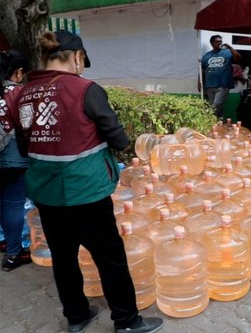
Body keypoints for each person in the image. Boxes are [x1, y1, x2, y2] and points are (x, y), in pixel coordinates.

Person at [0, 31, 163, 333]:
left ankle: (76, 317)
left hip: (45, 193)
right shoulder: (85, 89)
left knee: (63, 258)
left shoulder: (22, 94)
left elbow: (24, 146)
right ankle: (127, 322)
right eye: (82, 61)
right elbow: (119, 138)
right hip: (86, 191)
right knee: (110, 258)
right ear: (76, 57)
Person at [1, 49, 31, 272]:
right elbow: (27, 125)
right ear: (19, 72)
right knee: (13, 203)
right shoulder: (19, 93)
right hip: (12, 158)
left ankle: (5, 241)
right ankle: (13, 253)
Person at [200, 35, 241, 120]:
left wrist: (230, 47)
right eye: (217, 41)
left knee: (216, 105)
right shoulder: (207, 55)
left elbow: (238, 58)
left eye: (220, 41)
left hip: (223, 85)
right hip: (210, 85)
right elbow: (202, 70)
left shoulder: (227, 52)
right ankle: (220, 123)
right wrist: (199, 82)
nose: (219, 43)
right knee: (215, 106)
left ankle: (211, 121)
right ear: (212, 43)